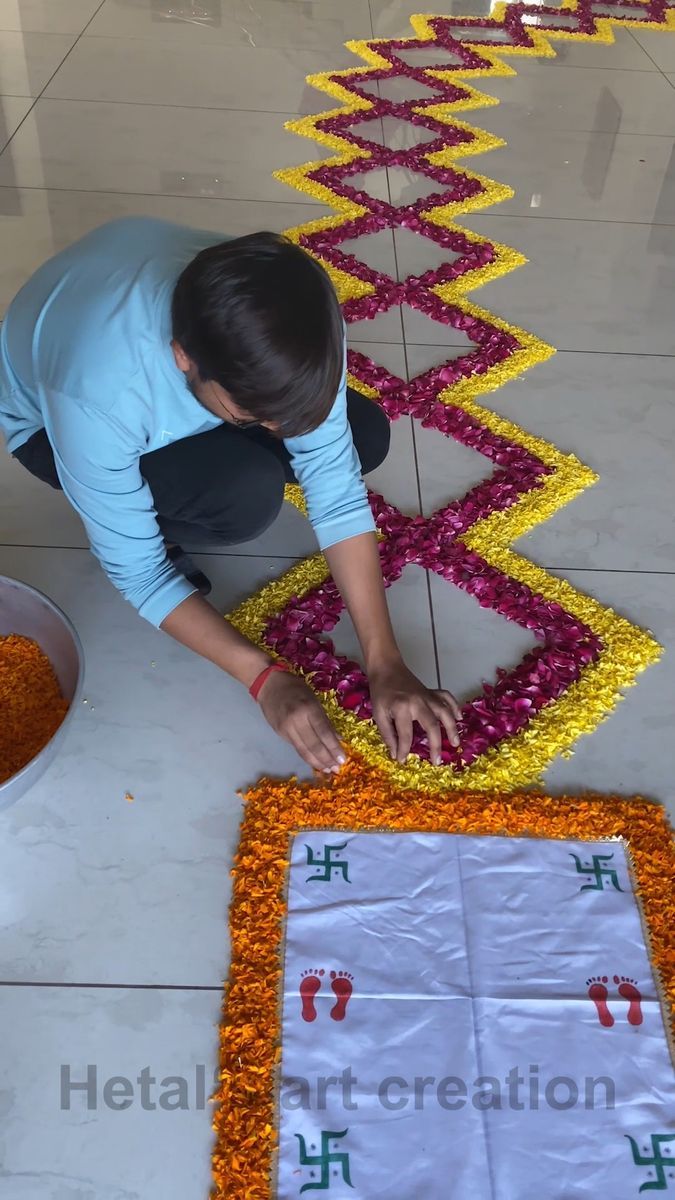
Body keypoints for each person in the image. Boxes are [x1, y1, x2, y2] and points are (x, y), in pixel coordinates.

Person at [0, 217, 460, 772]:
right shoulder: (98, 391)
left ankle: (236, 428)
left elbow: (335, 488)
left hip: (163, 341)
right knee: (244, 497)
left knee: (363, 436)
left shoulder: (305, 301)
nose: (279, 429)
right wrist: (263, 679)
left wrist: (386, 661)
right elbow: (139, 572)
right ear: (183, 357)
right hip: (51, 425)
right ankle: (178, 501)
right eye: (252, 416)